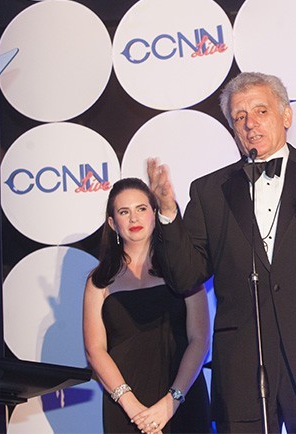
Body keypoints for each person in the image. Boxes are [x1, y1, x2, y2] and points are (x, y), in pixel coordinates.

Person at [147, 71, 296, 433]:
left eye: (260, 111)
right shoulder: (210, 190)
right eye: (240, 117)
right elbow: (185, 277)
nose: (250, 124)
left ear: (286, 115)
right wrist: (168, 214)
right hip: (242, 370)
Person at [83, 177, 212, 433]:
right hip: (125, 409)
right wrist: (133, 408)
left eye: (141, 209)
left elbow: (200, 339)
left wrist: (172, 401)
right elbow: (95, 350)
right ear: (112, 223)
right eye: (124, 212)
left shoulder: (183, 268)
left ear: (155, 213)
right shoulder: (99, 280)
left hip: (182, 400)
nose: (134, 219)